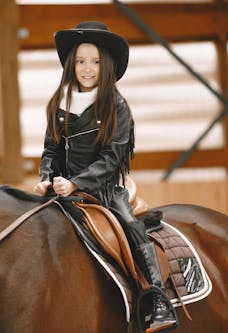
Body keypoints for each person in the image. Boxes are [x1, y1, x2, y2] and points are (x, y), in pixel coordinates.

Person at [33, 21, 177, 332]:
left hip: (105, 190)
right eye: (81, 61)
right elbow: (50, 150)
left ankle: (157, 299)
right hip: (62, 189)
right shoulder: (59, 103)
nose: (87, 69)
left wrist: (76, 182)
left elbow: (112, 158)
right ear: (72, 64)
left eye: (95, 62)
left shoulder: (117, 105)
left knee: (130, 226)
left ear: (106, 65)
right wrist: (47, 177)